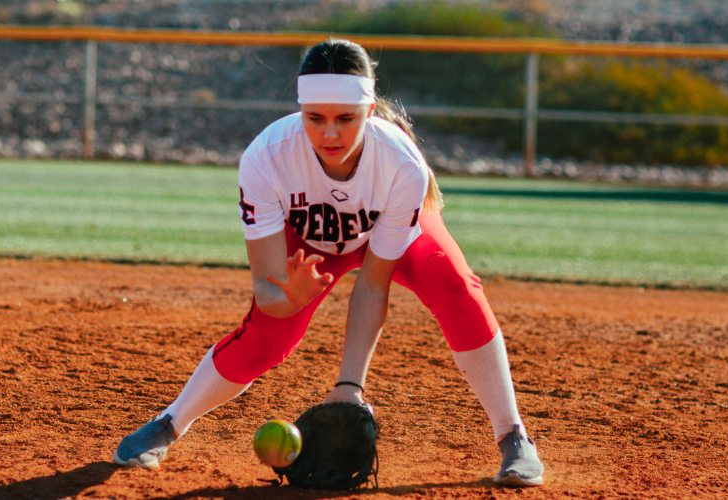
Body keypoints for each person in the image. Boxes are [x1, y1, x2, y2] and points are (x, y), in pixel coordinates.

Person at [111, 38, 544, 487]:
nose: (330, 134)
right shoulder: (266, 158)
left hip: (383, 233)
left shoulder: (401, 165)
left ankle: (514, 436)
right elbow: (265, 288)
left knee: (454, 283)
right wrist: (287, 297)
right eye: (315, 118)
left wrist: (350, 388)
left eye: (346, 118)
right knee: (265, 338)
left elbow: (373, 284)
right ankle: (169, 423)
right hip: (309, 245)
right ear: (300, 110)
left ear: (370, 112)